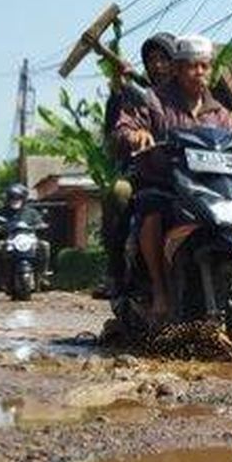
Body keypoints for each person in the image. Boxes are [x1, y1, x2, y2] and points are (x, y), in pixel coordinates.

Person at [111, 34, 232, 324]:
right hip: (163, 183)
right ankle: (160, 291)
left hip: (207, 186)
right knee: (152, 213)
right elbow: (124, 127)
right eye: (191, 66)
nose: (198, 72)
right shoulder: (154, 101)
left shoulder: (219, 112)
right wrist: (135, 134)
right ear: (178, 69)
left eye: (204, 66)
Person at [97, 32, 177, 299]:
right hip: (148, 170)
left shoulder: (194, 92)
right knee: (119, 192)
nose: (158, 65)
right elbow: (115, 130)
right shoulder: (139, 95)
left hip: (190, 171)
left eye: (164, 58)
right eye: (152, 60)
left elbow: (227, 119)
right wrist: (119, 94)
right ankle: (116, 270)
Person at [0, 183, 50, 283]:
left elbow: (40, 222)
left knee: (45, 245)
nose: (15, 200)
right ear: (8, 199)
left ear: (24, 199)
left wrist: (41, 225)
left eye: (18, 198)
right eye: (12, 198)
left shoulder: (31, 212)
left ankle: (42, 274)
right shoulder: (2, 212)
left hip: (29, 239)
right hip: (9, 239)